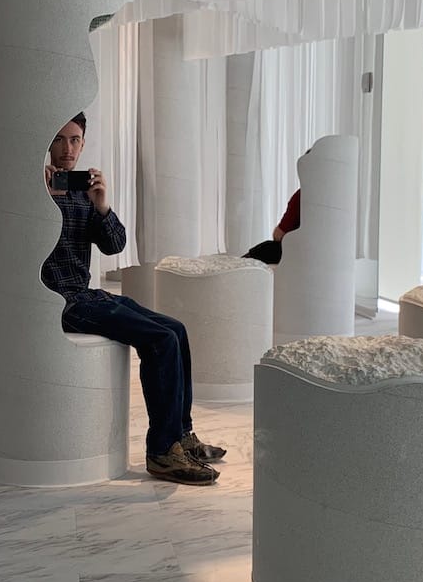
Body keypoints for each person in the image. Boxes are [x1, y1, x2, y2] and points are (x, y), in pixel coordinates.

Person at [41, 113, 226, 486]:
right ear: (48, 144)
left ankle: (181, 435)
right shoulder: (37, 191)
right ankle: (162, 452)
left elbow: (115, 245)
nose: (67, 149)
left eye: (74, 140)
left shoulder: (83, 192)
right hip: (62, 302)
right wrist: (46, 203)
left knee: (176, 329)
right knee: (160, 340)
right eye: (59, 140)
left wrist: (102, 206)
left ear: (83, 143)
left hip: (87, 295)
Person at [243, 189, 301, 265]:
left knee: (266, 248)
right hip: (312, 254)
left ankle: (236, 267)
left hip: (295, 252)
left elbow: (278, 235)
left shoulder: (301, 196)